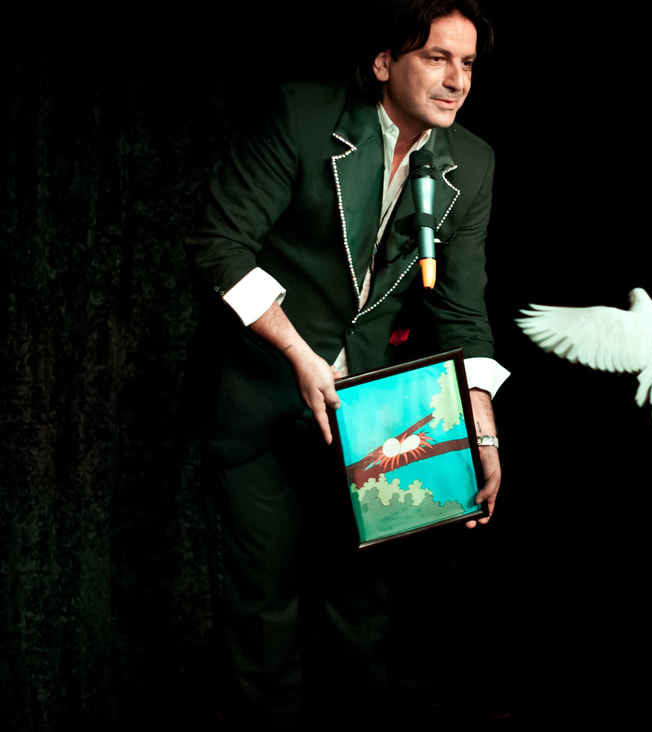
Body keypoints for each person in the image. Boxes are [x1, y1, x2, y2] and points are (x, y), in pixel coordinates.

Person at [183, 1, 505, 727]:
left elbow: (461, 311)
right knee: (264, 603)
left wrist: (481, 429)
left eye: (467, 63)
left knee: (361, 605)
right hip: (260, 393)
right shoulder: (302, 117)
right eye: (436, 58)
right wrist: (299, 354)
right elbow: (218, 244)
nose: (456, 80)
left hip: (369, 412)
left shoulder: (472, 163)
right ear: (385, 63)